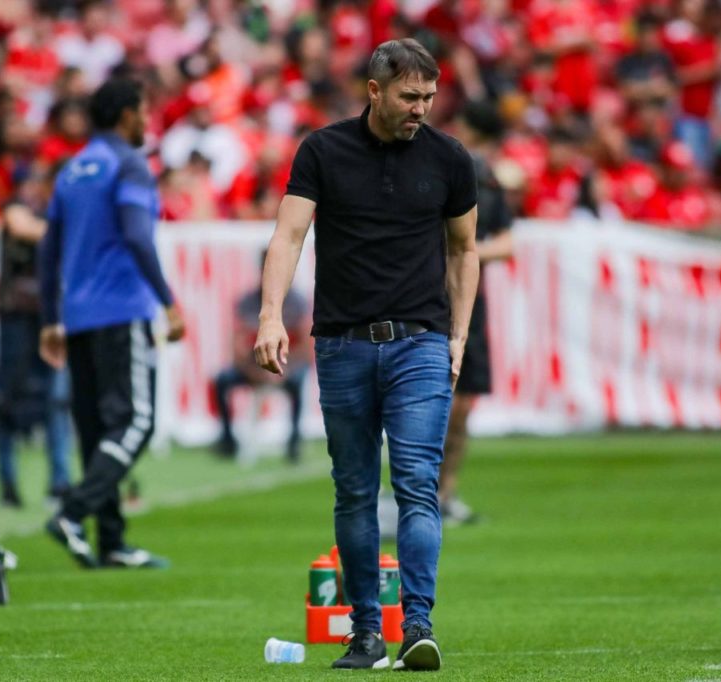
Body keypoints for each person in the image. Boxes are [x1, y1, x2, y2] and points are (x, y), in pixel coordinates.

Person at [254, 38, 478, 672]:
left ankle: (417, 626)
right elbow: (289, 233)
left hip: (421, 345)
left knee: (416, 487)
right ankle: (364, 633)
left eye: (430, 98)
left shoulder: (451, 159)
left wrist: (457, 337)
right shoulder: (322, 151)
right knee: (353, 492)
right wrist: (271, 315)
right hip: (343, 345)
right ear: (374, 91)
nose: (421, 109)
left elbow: (465, 250)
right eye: (410, 97)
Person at [39, 78, 186, 569]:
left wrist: (49, 318)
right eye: (144, 110)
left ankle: (113, 542)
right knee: (135, 422)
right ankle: (72, 512)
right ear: (126, 114)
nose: (148, 121)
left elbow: (48, 249)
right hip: (121, 311)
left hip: (78, 317)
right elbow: (137, 236)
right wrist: (167, 302)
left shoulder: (72, 170)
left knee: (99, 429)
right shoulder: (129, 165)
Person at [440, 101, 513, 525]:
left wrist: (466, 252)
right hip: (427, 302)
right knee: (425, 403)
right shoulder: (430, 173)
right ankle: (412, 495)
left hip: (469, 302)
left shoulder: (486, 180)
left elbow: (507, 243)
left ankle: (446, 493)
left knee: (462, 405)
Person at [0, 166, 72, 508]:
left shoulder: (52, 214)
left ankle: (60, 480)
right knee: (7, 399)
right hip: (17, 320)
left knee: (57, 400)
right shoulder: (18, 211)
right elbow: (20, 225)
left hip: (48, 317)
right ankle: (7, 482)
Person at [212, 255, 309, 462]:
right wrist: (258, 372)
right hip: (254, 366)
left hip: (285, 366)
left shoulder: (298, 303)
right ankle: (227, 439)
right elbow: (237, 348)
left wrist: (282, 370)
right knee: (221, 380)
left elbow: (306, 350)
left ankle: (294, 442)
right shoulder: (247, 302)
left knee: (299, 380)